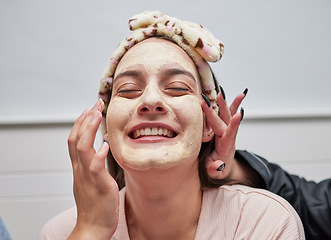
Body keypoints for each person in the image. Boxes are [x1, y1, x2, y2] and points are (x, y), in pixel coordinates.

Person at [39, 11, 304, 239]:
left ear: (207, 125)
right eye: (128, 90)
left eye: (177, 88)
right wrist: (90, 231)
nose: (151, 100)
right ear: (106, 127)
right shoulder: (62, 233)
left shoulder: (265, 223)